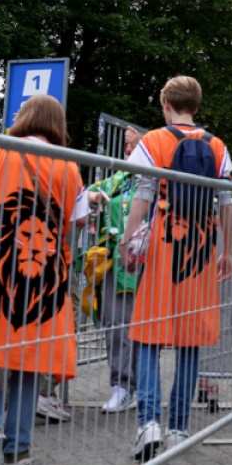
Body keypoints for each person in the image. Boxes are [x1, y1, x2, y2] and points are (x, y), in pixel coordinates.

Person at [0, 94, 88, 465]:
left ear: (25, 117)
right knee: (30, 356)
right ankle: (18, 448)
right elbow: (77, 222)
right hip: (46, 274)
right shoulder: (69, 165)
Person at [121, 76, 232, 460]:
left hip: (162, 250)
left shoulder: (153, 141)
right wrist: (228, 251)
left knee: (147, 337)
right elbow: (226, 202)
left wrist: (127, 241)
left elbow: (143, 195)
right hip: (200, 252)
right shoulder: (217, 145)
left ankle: (149, 423)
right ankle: (178, 429)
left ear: (166, 105)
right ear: (197, 107)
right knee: (189, 340)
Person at [83, 126, 144, 413]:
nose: (129, 156)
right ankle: (123, 386)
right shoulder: (115, 180)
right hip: (115, 262)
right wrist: (90, 197)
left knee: (144, 326)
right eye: (127, 152)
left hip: (146, 261)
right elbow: (85, 194)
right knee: (117, 323)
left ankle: (143, 386)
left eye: (136, 150)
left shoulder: (154, 177)